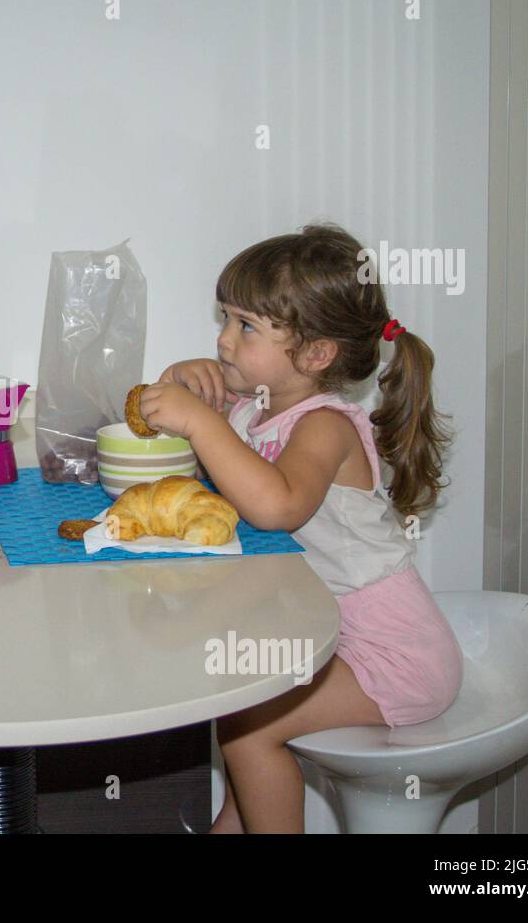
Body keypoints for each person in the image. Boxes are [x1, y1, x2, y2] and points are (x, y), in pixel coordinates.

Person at [139, 223, 463, 833]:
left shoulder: (326, 427)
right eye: (226, 318)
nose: (224, 340)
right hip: (327, 631)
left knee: (251, 724)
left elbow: (276, 507)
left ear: (316, 356)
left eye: (247, 327)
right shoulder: (253, 406)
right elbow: (213, 467)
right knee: (240, 704)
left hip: (393, 655)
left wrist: (202, 426)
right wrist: (187, 387)